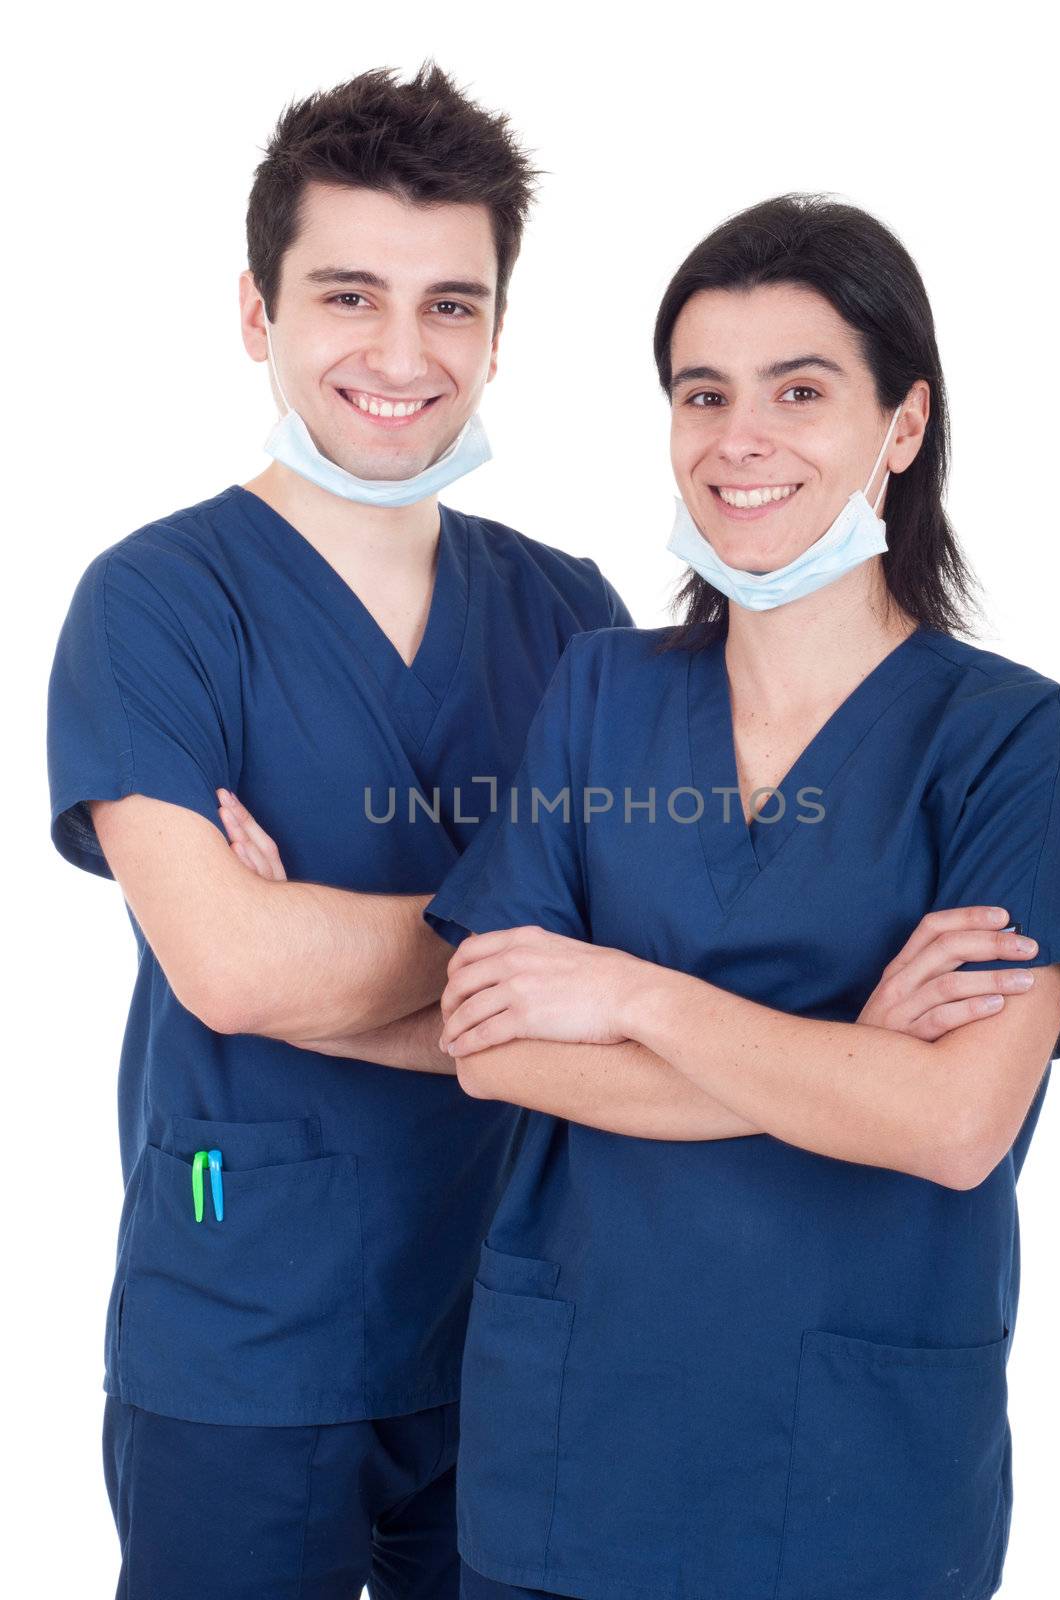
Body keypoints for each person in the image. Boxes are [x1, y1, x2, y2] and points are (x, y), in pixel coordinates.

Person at [419, 195, 1060, 1600]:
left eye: (799, 391)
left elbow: (951, 1123)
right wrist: (847, 1057)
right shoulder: (601, 690)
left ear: (900, 426)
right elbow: (490, 1047)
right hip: (570, 1449)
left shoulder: (1013, 741)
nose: (738, 439)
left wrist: (630, 997)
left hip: (851, 1478)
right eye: (702, 393)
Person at [46, 64, 637, 1600]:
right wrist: (530, 964)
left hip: (518, 1320)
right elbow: (232, 972)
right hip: (244, 1328)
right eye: (348, 294)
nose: (399, 351)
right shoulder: (157, 604)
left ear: (500, 330)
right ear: (257, 311)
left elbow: (645, 969)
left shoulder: (568, 612)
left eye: (451, 304)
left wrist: (327, 936)